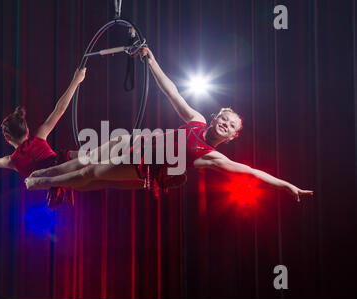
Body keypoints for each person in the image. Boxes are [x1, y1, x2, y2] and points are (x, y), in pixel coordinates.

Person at [24, 48, 313, 202]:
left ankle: (41, 181)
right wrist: (151, 61)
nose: (225, 124)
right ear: (215, 118)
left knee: (89, 171)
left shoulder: (212, 156)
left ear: (233, 136)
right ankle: (44, 172)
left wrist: (286, 185)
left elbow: (251, 172)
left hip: (145, 166)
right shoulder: (197, 120)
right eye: (224, 118)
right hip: (135, 142)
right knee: (84, 158)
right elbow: (172, 91)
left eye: (231, 125)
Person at [0, 68, 143, 210]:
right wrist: (76, 81)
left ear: (7, 137)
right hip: (69, 162)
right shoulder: (38, 136)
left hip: (67, 180)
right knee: (113, 148)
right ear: (26, 129)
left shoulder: (12, 161)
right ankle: (138, 154)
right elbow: (60, 109)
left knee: (108, 179)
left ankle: (143, 176)